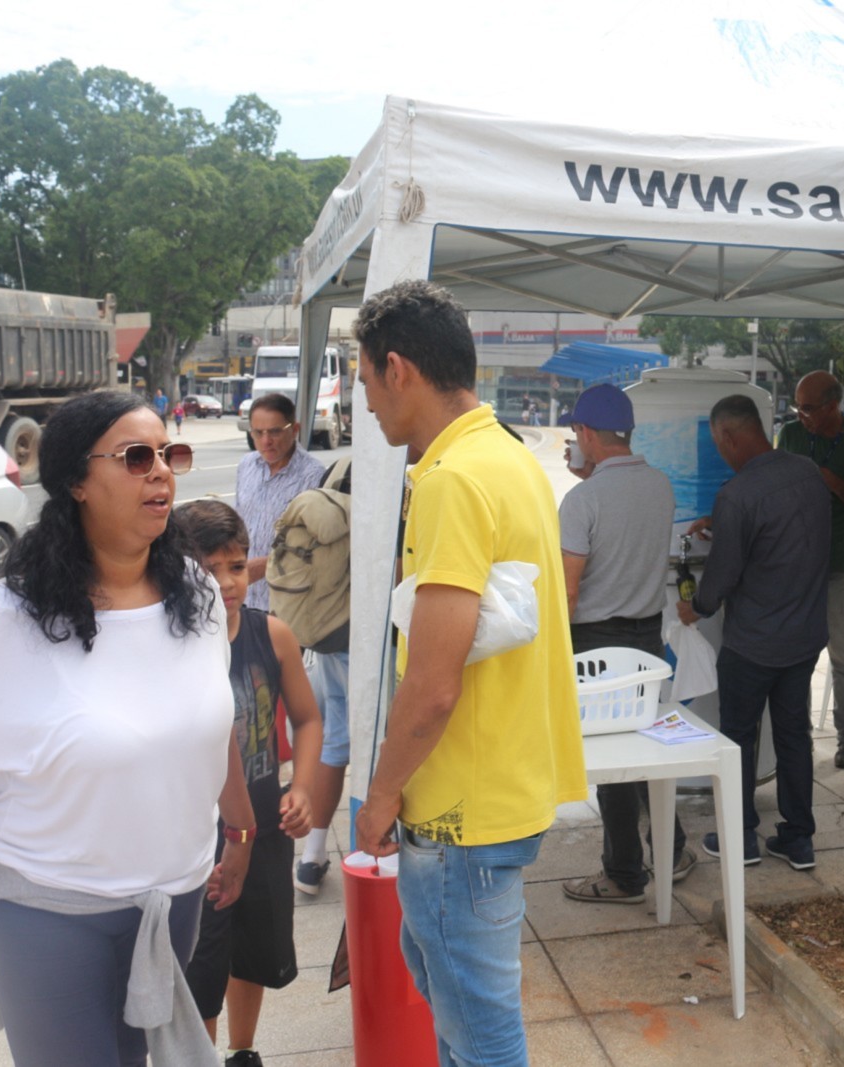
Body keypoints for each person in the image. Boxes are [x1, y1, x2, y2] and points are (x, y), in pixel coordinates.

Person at [0, 391, 255, 1065]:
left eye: (169, 454)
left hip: (174, 899)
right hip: (48, 913)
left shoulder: (197, 594)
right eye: (135, 457)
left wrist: (241, 829)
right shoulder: (3, 623)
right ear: (77, 480)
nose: (160, 471)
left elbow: (209, 720)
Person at [351, 279, 586, 1066]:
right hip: (505, 787)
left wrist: (380, 794)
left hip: (461, 811)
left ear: (398, 369)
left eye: (366, 381)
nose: (367, 403)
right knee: (459, 1012)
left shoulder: (453, 479)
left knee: (481, 1035)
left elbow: (433, 682)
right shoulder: (509, 457)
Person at [174, 500, 323, 1067]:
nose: (227, 583)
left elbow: (307, 720)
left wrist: (301, 788)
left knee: (255, 951)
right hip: (201, 841)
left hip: (264, 828)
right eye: (209, 570)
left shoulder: (273, 635)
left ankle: (243, 1051)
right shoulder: (175, 649)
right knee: (202, 964)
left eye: (236, 566)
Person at [555, 384, 694, 905]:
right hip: (647, 635)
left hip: (596, 641)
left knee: (613, 761)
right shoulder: (660, 485)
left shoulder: (582, 500)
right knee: (644, 748)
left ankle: (623, 875)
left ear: (585, 433)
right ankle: (672, 851)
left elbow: (568, 589)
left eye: (576, 433)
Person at [678, 394, 829, 870]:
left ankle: (740, 837)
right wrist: (724, 525)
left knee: (739, 737)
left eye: (718, 442)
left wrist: (694, 609)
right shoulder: (807, 473)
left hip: (754, 643)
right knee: (794, 734)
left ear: (728, 435)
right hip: (804, 635)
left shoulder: (737, 495)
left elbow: (721, 577)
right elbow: (786, 540)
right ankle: (798, 839)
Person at [775, 370, 844, 770]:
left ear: (833, 406)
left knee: (841, 658)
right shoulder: (790, 435)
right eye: (797, 407)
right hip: (791, 570)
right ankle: (798, 740)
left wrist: (835, 484)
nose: (800, 415)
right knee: (795, 661)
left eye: (808, 408)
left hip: (834, 571)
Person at [293, 458, 354, 898]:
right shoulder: (402, 471)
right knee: (379, 742)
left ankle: (311, 857)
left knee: (336, 740)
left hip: (329, 630)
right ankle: (377, 854)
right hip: (370, 635)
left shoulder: (337, 468)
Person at [239, 393, 326, 612]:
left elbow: (317, 549)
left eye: (275, 432)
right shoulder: (246, 465)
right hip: (245, 600)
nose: (266, 441)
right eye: (258, 432)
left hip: (289, 604)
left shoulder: (313, 476)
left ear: (294, 430)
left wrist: (266, 565)